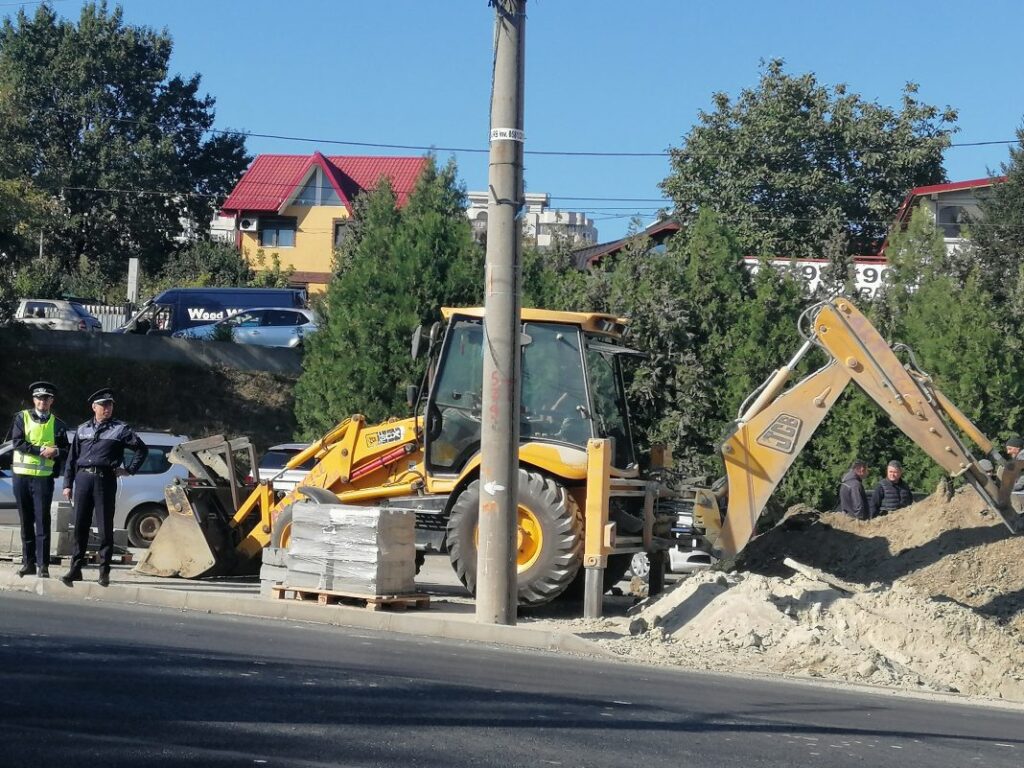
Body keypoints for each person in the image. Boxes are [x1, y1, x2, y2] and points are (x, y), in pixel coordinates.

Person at [60, 388, 147, 587]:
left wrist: (129, 470)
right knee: (80, 525)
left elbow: (141, 450)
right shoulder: (82, 429)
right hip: (83, 479)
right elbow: (72, 458)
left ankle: (104, 570)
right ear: (94, 407)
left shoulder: (120, 429)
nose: (107, 408)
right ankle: (75, 569)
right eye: (103, 405)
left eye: (110, 405)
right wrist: (67, 484)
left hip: (104, 479)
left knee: (104, 527)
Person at [10, 381, 70, 578]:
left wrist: (56, 451)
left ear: (52, 401)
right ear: (33, 399)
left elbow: (67, 450)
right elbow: (17, 442)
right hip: (22, 477)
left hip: (43, 479)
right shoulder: (22, 417)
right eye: (39, 398)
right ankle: (28, 563)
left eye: (46, 398)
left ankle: (43, 566)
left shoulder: (58, 424)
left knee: (43, 521)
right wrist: (41, 450)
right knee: (26, 521)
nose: (42, 402)